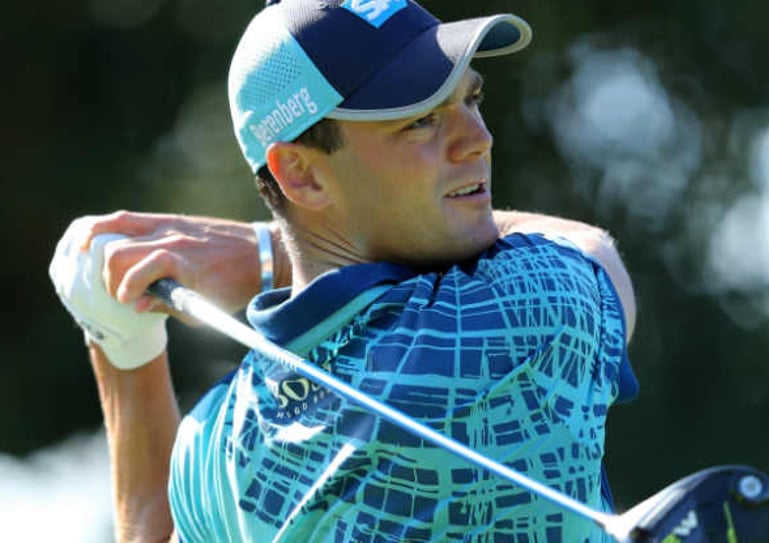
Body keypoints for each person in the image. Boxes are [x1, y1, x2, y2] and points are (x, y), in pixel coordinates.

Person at [49, 1, 639, 541]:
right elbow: (592, 247)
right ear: (301, 175)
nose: (476, 140)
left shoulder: (220, 442)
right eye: (421, 121)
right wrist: (260, 252)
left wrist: (123, 344)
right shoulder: (526, 308)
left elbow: (154, 527)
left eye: (471, 100)